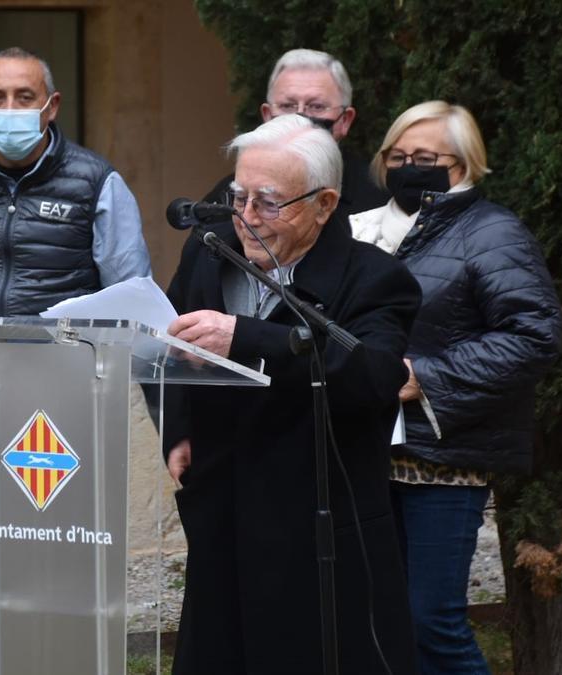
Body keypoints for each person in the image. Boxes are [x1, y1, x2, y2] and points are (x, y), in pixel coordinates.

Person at [0, 47, 151, 675]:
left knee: (56, 577)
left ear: (51, 107)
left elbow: (129, 292)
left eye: (25, 98)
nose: (10, 110)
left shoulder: (97, 183)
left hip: (64, 417)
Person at [163, 114, 420, 674]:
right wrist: (176, 428)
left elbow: (374, 376)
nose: (247, 217)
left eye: (268, 202)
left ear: (325, 204)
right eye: (238, 197)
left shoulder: (373, 278)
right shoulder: (209, 252)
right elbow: (166, 337)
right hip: (223, 520)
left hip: (316, 535)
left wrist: (248, 337)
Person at [349, 101, 562, 675]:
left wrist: (429, 378)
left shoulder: (492, 232)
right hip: (368, 453)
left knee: (431, 622)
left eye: (424, 158)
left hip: (443, 460)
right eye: (396, 156)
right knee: (381, 620)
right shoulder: (364, 230)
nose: (407, 167)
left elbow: (534, 334)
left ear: (464, 163)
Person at [203, 48, 389, 216]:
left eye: (316, 106)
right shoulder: (226, 199)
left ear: (345, 120)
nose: (300, 117)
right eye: (287, 105)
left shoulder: (378, 199)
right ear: (267, 116)